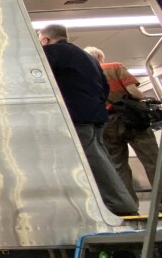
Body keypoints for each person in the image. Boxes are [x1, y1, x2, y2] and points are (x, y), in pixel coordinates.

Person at [38, 25, 137, 216]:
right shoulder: (89, 57)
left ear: (46, 40)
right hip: (96, 116)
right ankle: (116, 203)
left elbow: (37, 78)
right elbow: (104, 87)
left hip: (77, 116)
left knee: (93, 162)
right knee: (101, 158)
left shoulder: (51, 52)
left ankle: (121, 206)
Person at [84, 46, 158, 200]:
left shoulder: (84, 75)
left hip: (107, 122)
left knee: (118, 166)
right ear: (100, 57)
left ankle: (129, 206)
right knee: (153, 161)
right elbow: (134, 92)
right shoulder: (115, 67)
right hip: (132, 119)